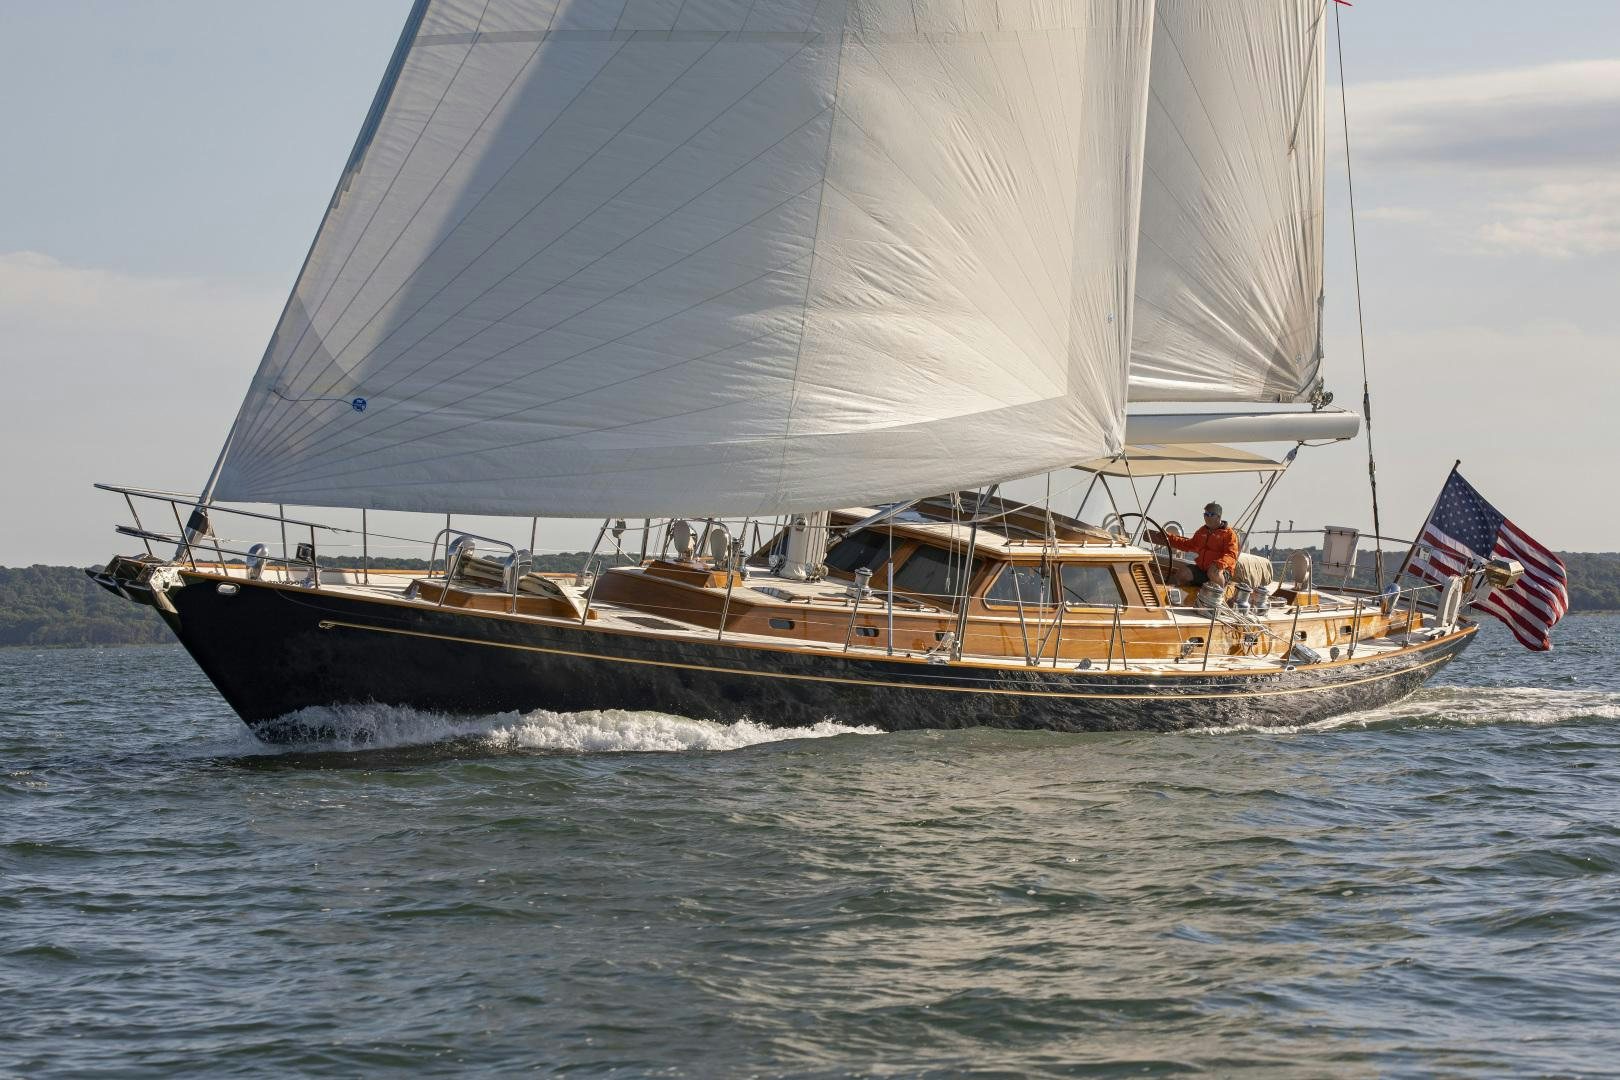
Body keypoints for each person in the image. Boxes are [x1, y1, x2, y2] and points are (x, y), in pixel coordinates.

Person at [1149, 503, 1239, 590]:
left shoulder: (1229, 534)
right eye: (1206, 514)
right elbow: (1188, 544)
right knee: (1182, 573)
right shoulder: (1202, 531)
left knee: (1213, 572)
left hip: (1221, 571)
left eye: (1211, 514)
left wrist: (1219, 564)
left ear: (1218, 517)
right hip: (1203, 569)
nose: (1207, 517)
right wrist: (1169, 537)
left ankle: (1218, 597)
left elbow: (1231, 555)